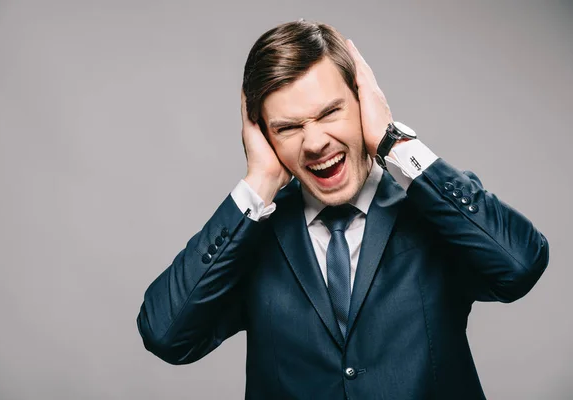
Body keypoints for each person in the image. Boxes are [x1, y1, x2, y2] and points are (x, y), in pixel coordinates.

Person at [136, 20, 549, 399]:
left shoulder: (434, 207)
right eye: (288, 127)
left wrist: (393, 144)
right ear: (265, 136)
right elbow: (165, 334)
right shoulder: (254, 238)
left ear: (362, 101)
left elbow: (521, 264)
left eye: (330, 112)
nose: (314, 142)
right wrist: (258, 183)